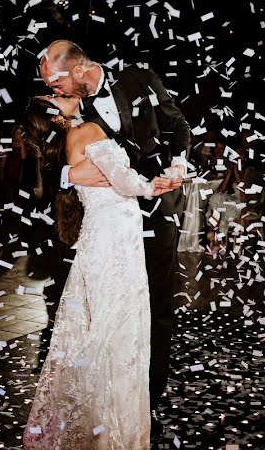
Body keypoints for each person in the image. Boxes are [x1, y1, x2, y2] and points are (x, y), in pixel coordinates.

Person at [39, 40, 191, 428]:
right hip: (103, 225)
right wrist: (67, 174)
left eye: (54, 82)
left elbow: (177, 124)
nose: (52, 91)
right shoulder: (66, 111)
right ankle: (94, 401)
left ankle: (144, 401)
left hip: (157, 217)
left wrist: (177, 164)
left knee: (154, 308)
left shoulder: (139, 77)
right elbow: (43, 160)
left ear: (76, 71)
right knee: (97, 311)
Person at [21, 95, 179, 449]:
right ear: (55, 116)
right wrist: (154, 186)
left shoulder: (72, 135)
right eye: (56, 96)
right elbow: (123, 181)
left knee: (103, 327)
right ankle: (111, 433)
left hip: (107, 236)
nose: (63, 94)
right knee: (117, 331)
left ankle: (97, 426)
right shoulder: (85, 130)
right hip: (114, 241)